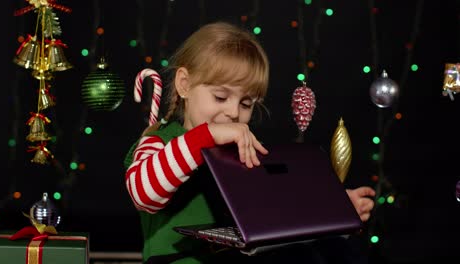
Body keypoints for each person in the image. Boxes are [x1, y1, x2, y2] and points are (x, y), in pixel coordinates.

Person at [124, 21, 376, 264]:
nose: (234, 112)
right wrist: (206, 136)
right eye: (220, 97)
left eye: (246, 104)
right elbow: (143, 193)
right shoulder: (159, 140)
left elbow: (281, 208)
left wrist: (334, 208)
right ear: (185, 85)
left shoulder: (242, 150)